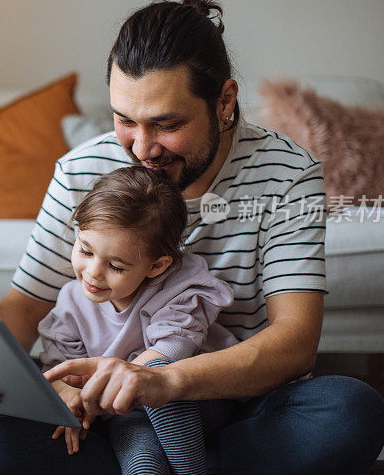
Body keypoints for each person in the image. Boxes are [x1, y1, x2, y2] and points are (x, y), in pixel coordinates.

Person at [0, 0, 384, 474]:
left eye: (167, 125)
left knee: (349, 411)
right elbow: (24, 305)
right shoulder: (80, 170)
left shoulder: (289, 173)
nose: (142, 149)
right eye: (125, 121)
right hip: (100, 414)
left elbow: (294, 340)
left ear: (224, 101)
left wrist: (163, 381)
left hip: (228, 403)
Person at [41, 166, 237, 475]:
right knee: (140, 455)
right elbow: (61, 370)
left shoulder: (181, 287)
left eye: (115, 266)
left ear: (156, 266)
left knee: (156, 375)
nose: (92, 272)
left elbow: (169, 355)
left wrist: (107, 388)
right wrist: (71, 399)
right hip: (127, 414)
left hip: (197, 401)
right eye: (85, 250)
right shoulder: (71, 301)